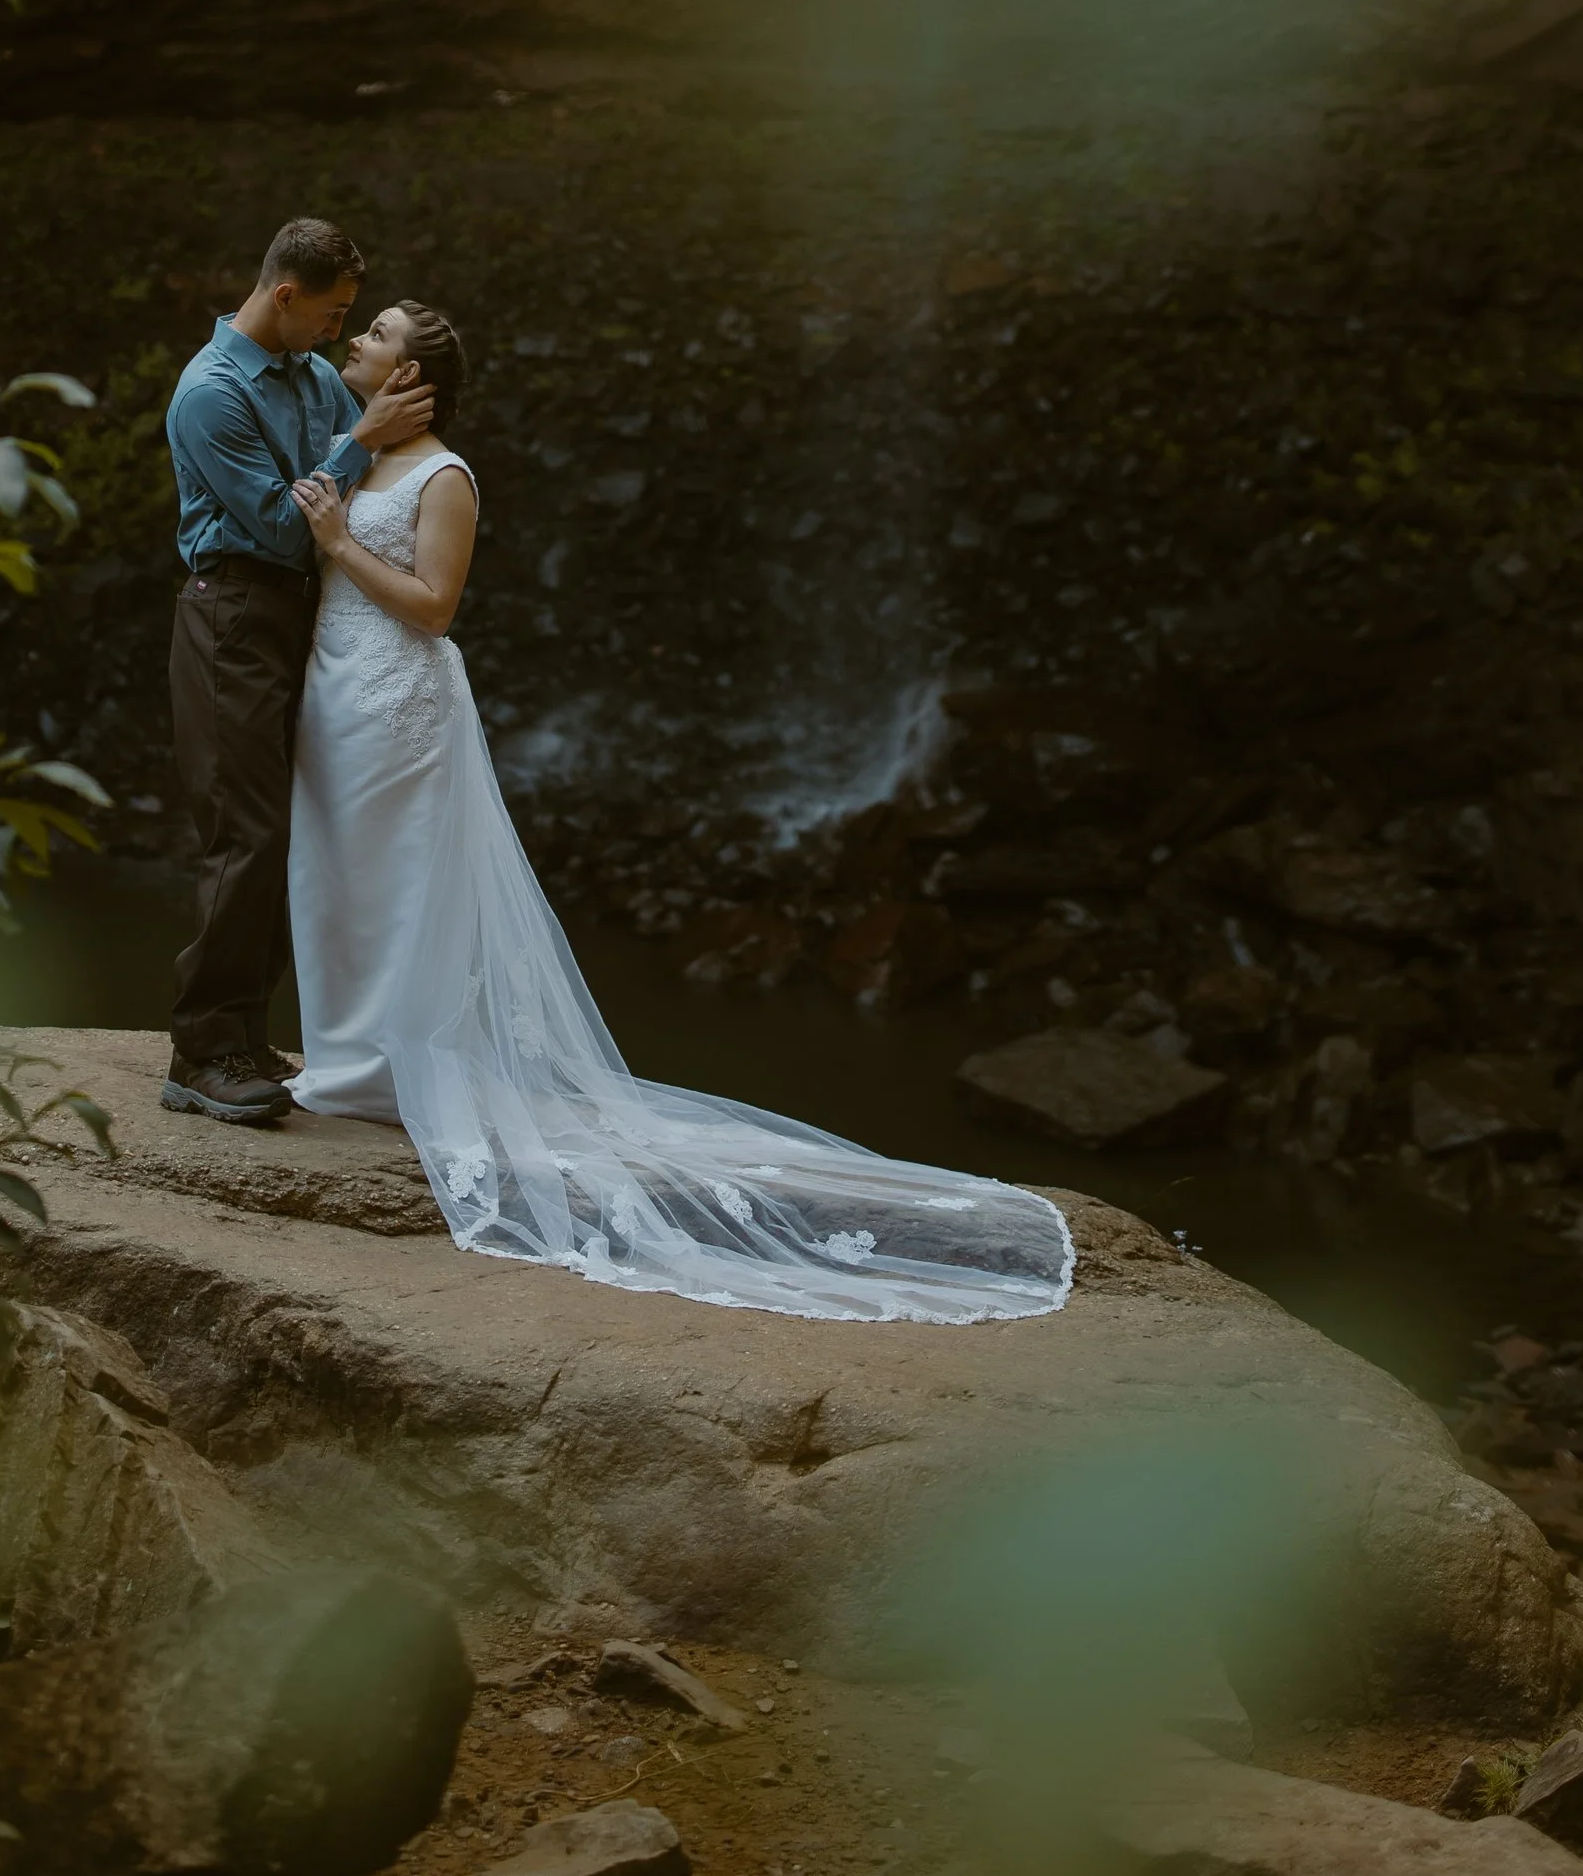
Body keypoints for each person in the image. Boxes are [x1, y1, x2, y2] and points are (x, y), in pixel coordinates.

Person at [279, 297, 1074, 1327]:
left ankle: (388, 1073)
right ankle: (344, 1060)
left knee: (397, 887)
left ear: (412, 373)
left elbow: (436, 607)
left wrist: (338, 542)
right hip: (332, 691)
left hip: (398, 700)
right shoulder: (354, 451)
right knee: (333, 874)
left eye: (375, 334)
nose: (357, 341)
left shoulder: (443, 474)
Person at [162, 218, 435, 1123]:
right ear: (285, 297)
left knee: (287, 833)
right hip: (232, 611)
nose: (337, 332)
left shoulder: (315, 376)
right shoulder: (209, 394)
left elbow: (341, 495)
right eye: (332, 313)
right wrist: (363, 438)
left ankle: (244, 1034)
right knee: (243, 832)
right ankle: (200, 1055)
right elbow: (286, 524)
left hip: (308, 619)